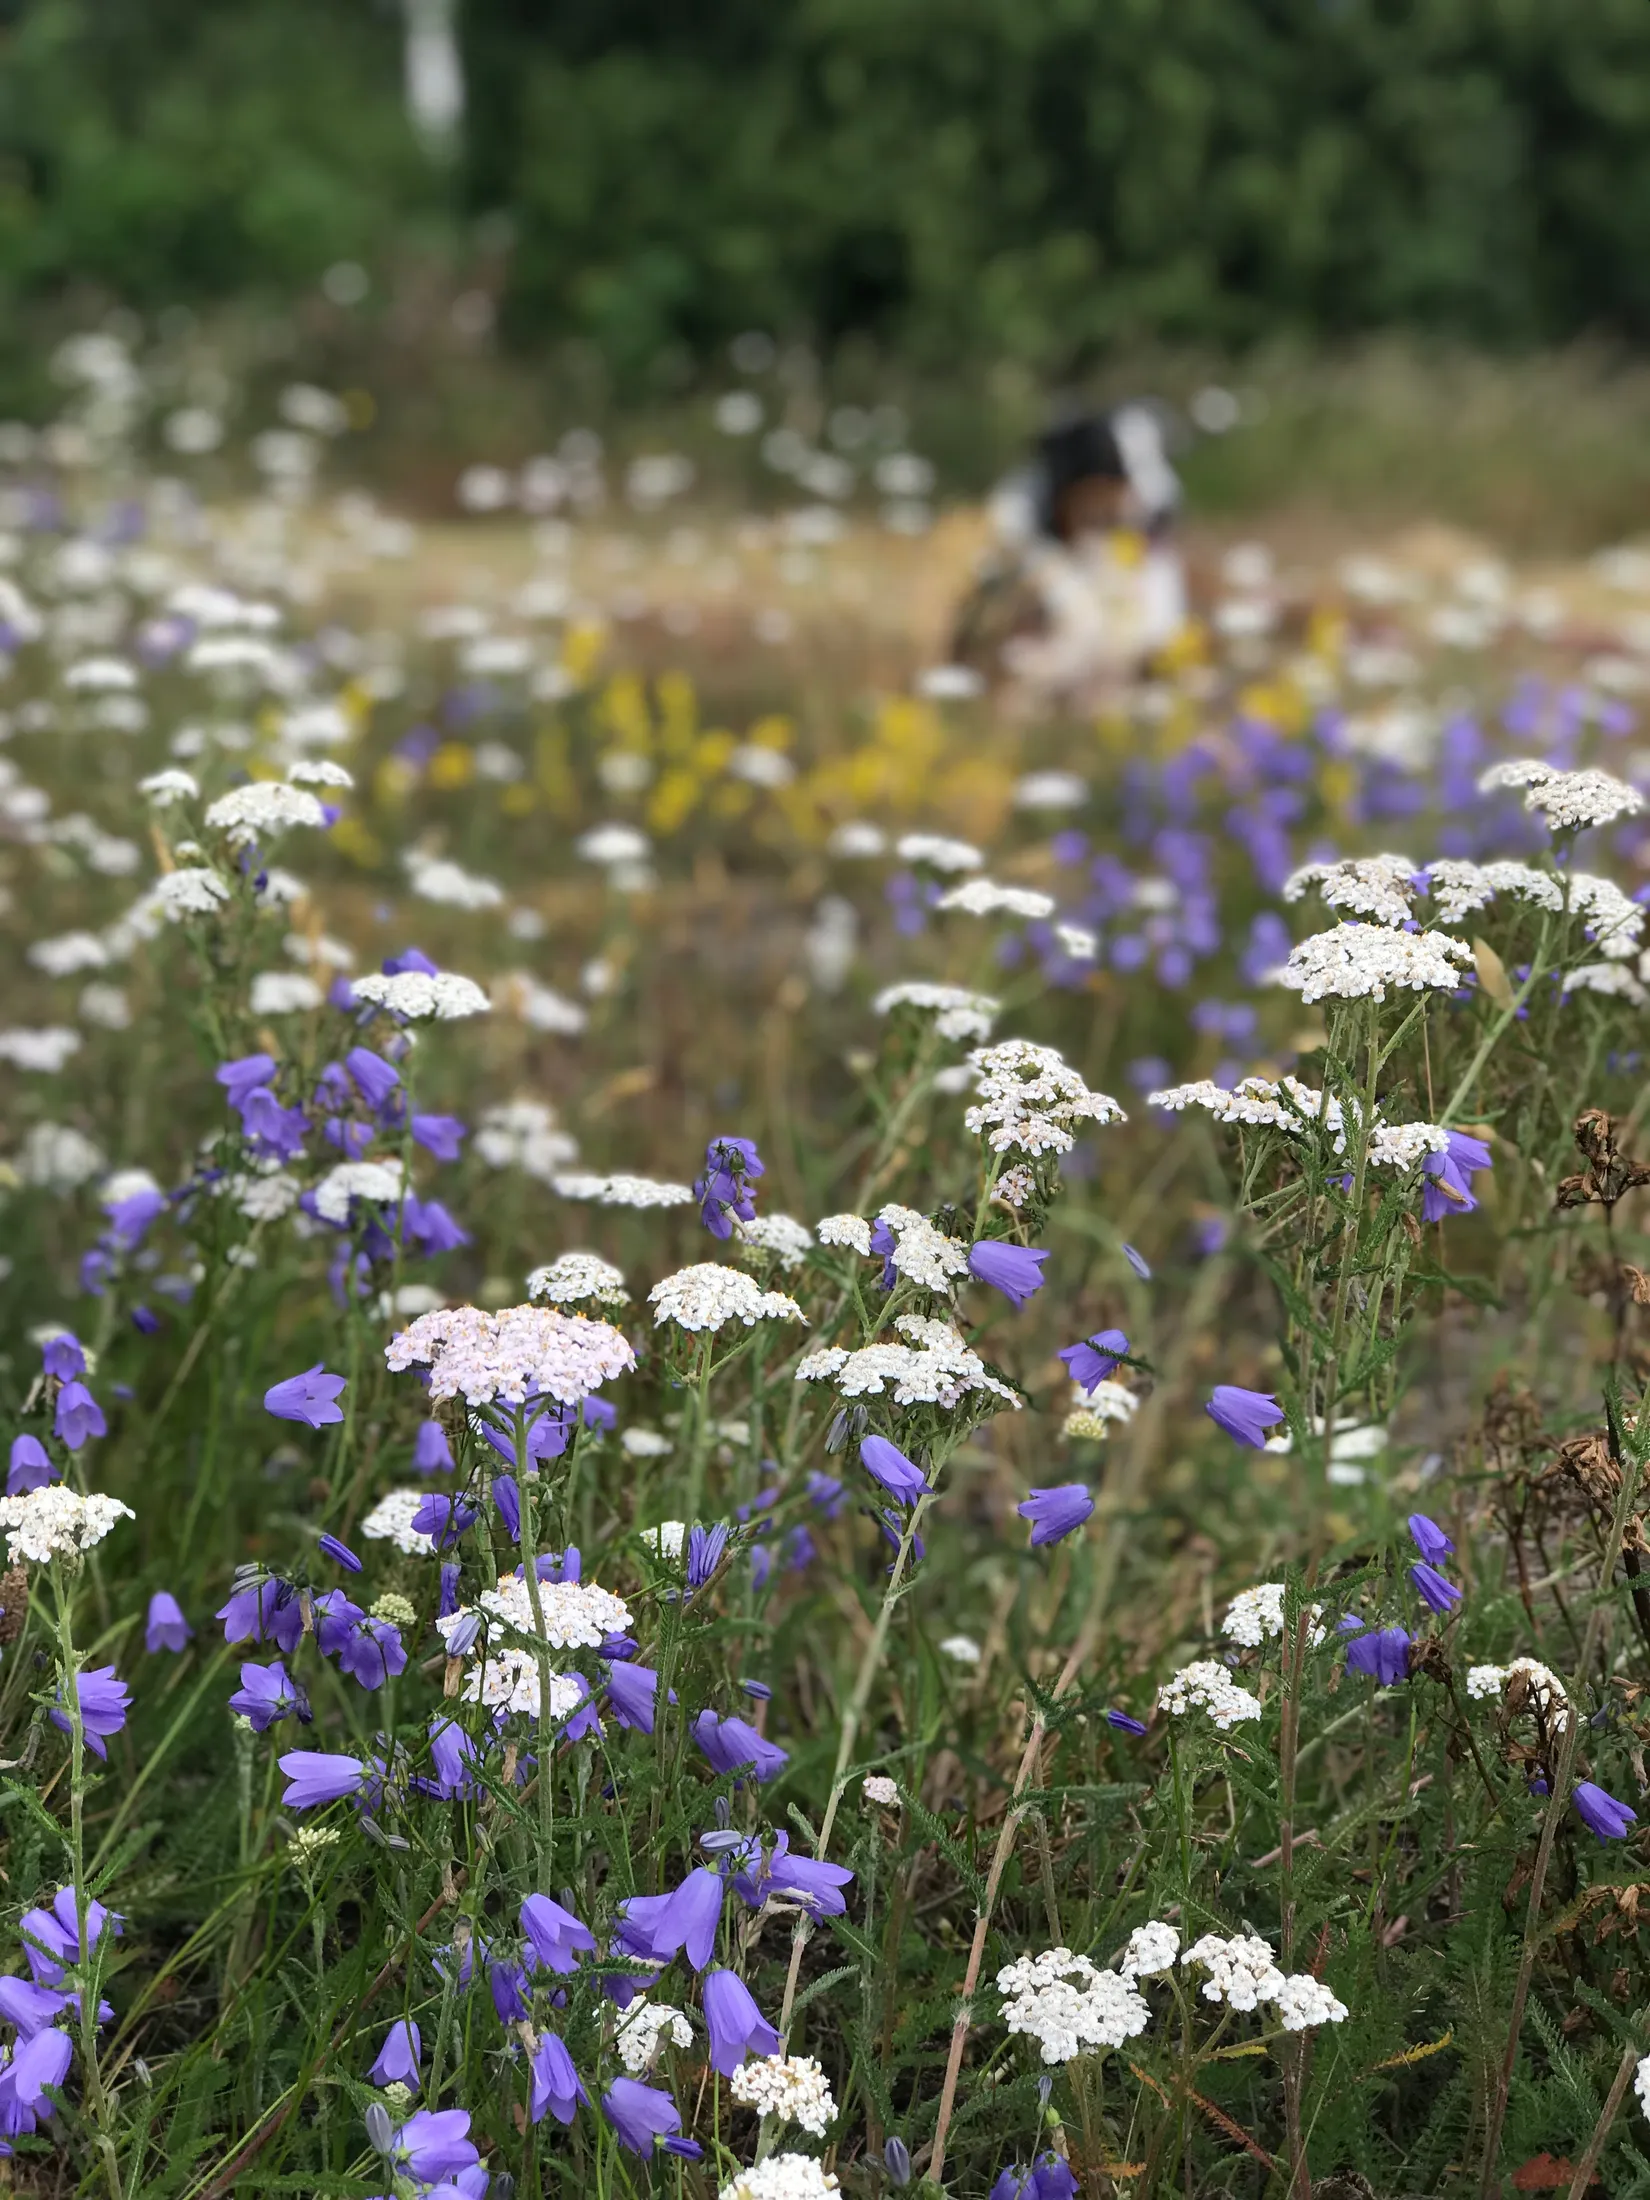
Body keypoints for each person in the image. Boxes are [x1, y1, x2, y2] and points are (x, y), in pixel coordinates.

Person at [952, 402, 1188, 707]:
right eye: (1117, 478)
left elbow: (1162, 630)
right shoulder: (1018, 530)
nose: (1136, 500)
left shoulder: (1144, 547)